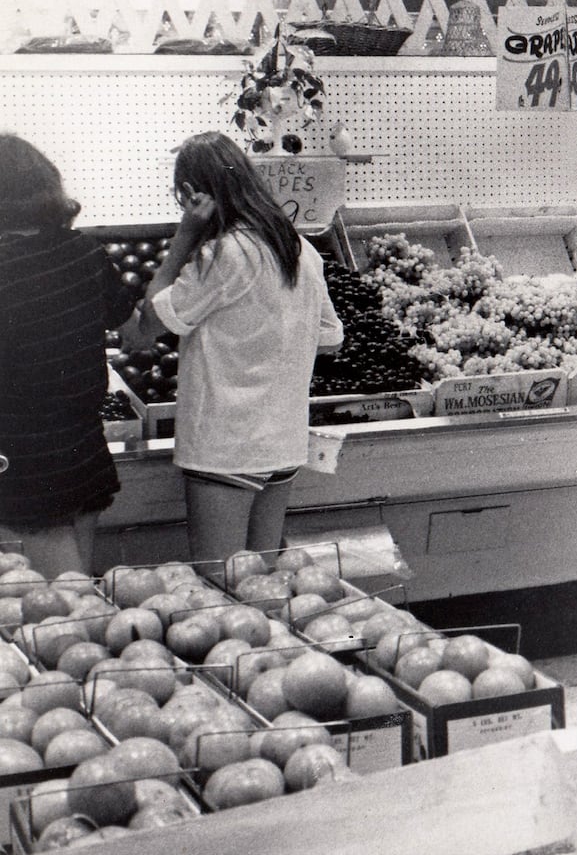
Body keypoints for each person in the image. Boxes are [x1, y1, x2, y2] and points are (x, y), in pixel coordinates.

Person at [122, 131, 342, 570]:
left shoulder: (222, 254)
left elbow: (143, 331)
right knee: (262, 584)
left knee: (218, 585)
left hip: (226, 448)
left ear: (189, 194)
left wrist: (184, 236)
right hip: (282, 446)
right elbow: (331, 337)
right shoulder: (300, 249)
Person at [0, 135, 132, 575]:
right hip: (83, 444)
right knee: (77, 592)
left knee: (57, 606)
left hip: (25, 458)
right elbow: (134, 329)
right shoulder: (84, 252)